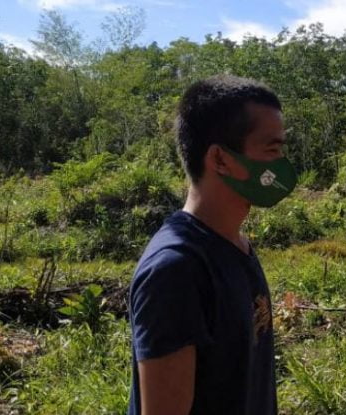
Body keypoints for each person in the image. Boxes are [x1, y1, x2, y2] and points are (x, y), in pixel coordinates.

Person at [127, 74, 297, 415]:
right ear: (220, 159)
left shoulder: (237, 245)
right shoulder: (176, 269)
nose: (281, 164)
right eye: (272, 149)